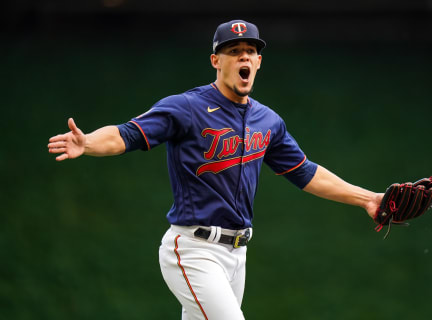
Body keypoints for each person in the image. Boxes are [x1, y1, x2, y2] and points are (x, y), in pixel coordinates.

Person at [48, 20, 383, 320]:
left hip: (237, 255)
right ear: (215, 61)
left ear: (259, 62)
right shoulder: (187, 107)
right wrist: (87, 142)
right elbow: (127, 134)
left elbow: (305, 172)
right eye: (233, 51)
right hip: (194, 250)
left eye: (250, 51)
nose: (243, 57)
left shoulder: (267, 121)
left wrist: (368, 198)